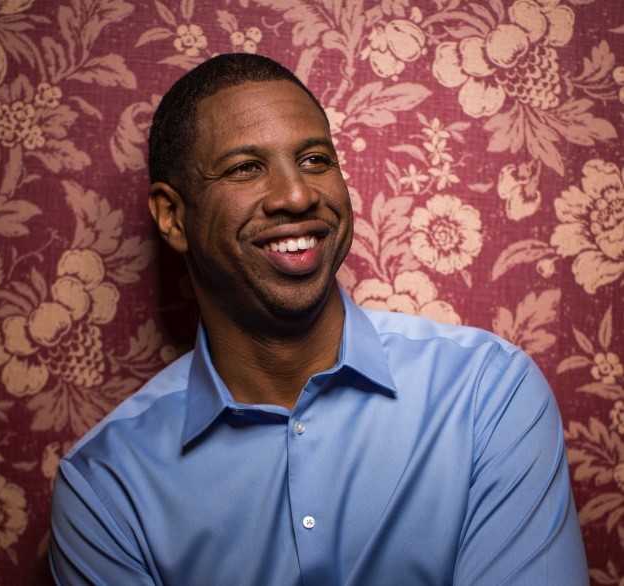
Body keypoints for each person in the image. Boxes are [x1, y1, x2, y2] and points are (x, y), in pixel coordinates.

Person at [49, 53, 588, 585]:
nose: (297, 194)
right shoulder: (105, 488)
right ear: (172, 216)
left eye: (314, 160)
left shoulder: (486, 395)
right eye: (245, 168)